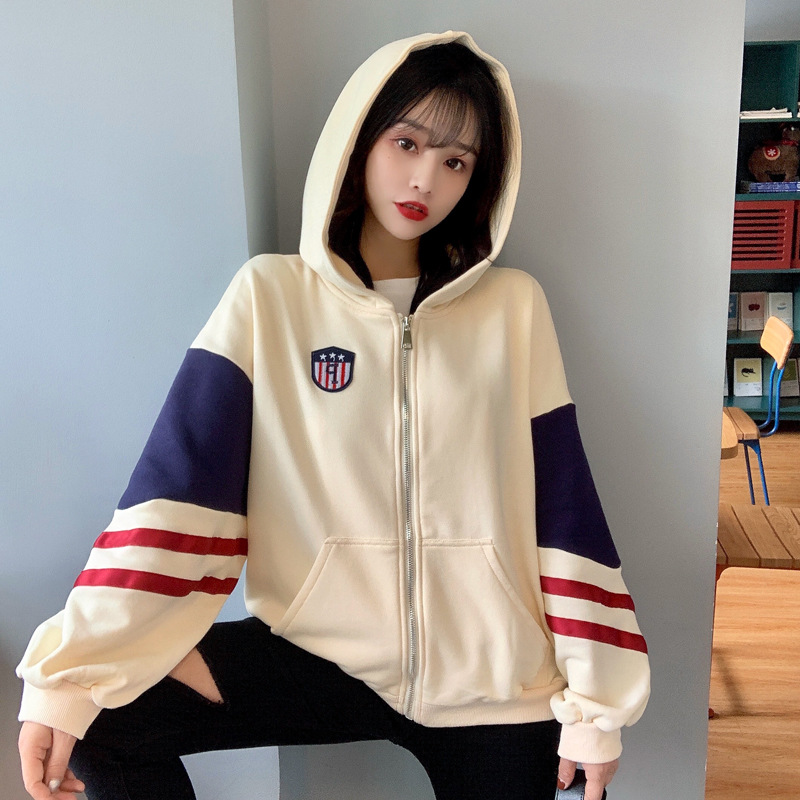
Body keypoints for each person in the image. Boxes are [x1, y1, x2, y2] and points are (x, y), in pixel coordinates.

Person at [17, 31, 650, 800]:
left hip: (495, 681)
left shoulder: (513, 310)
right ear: (359, 141)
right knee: (104, 720)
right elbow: (177, 496)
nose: (425, 179)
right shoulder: (270, 298)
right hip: (320, 651)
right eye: (406, 142)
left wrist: (597, 706)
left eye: (456, 162)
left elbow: (565, 511)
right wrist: (69, 678)